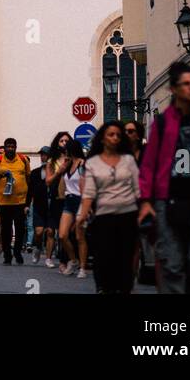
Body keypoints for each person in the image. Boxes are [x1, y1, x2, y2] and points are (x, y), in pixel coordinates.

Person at [138, 62, 190, 295]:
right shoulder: (162, 123)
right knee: (172, 262)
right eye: (186, 84)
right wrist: (146, 201)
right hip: (167, 199)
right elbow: (149, 165)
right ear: (174, 89)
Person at [77, 121, 140, 294]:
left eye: (118, 135)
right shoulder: (93, 163)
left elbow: (137, 188)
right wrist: (82, 215)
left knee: (125, 259)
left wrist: (143, 210)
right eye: (111, 135)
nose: (115, 138)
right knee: (104, 257)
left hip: (128, 214)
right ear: (103, 139)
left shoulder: (128, 160)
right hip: (104, 216)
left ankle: (125, 287)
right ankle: (103, 287)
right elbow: (89, 191)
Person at [0, 137, 30, 266]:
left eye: (12, 146)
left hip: (20, 201)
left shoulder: (23, 160)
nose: (10, 148)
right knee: (6, 229)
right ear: (4, 148)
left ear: (16, 147)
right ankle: (7, 254)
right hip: (4, 201)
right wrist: (2, 175)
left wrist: (28, 200)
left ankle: (17, 252)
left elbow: (28, 178)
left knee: (20, 228)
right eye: (8, 146)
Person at [57, 140, 89, 279]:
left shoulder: (82, 164)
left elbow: (85, 185)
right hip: (68, 201)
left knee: (79, 236)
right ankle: (73, 260)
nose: (64, 153)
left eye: (66, 150)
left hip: (80, 200)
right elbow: (59, 181)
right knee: (63, 235)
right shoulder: (67, 164)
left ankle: (82, 267)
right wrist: (62, 167)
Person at [45, 130, 72, 256]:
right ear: (57, 143)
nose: (64, 143)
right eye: (62, 141)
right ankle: (49, 257)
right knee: (51, 230)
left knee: (66, 232)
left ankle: (65, 257)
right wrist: (59, 171)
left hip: (70, 197)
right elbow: (48, 181)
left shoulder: (73, 159)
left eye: (67, 141)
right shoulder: (52, 161)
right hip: (56, 197)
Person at [28, 147, 54, 265]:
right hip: (39, 205)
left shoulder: (55, 171)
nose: (44, 157)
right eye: (42, 155)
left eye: (46, 155)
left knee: (50, 232)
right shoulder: (35, 173)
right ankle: (37, 248)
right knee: (38, 232)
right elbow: (30, 190)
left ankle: (48, 258)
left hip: (52, 205)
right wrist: (27, 205)